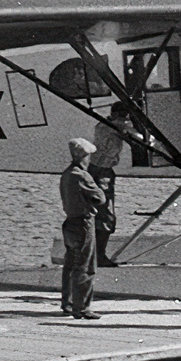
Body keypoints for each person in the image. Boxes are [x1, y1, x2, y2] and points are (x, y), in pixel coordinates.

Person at [59, 137, 107, 320]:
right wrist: (100, 188)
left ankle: (68, 304)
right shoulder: (82, 175)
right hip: (83, 223)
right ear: (83, 157)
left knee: (70, 265)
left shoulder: (66, 174)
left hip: (70, 222)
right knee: (86, 266)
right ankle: (82, 308)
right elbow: (100, 198)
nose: (89, 159)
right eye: (88, 156)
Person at [89, 106, 126, 267]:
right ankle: (99, 256)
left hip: (100, 171)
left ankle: (95, 253)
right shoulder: (112, 126)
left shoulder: (104, 124)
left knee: (101, 213)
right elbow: (132, 133)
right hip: (101, 173)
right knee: (106, 214)